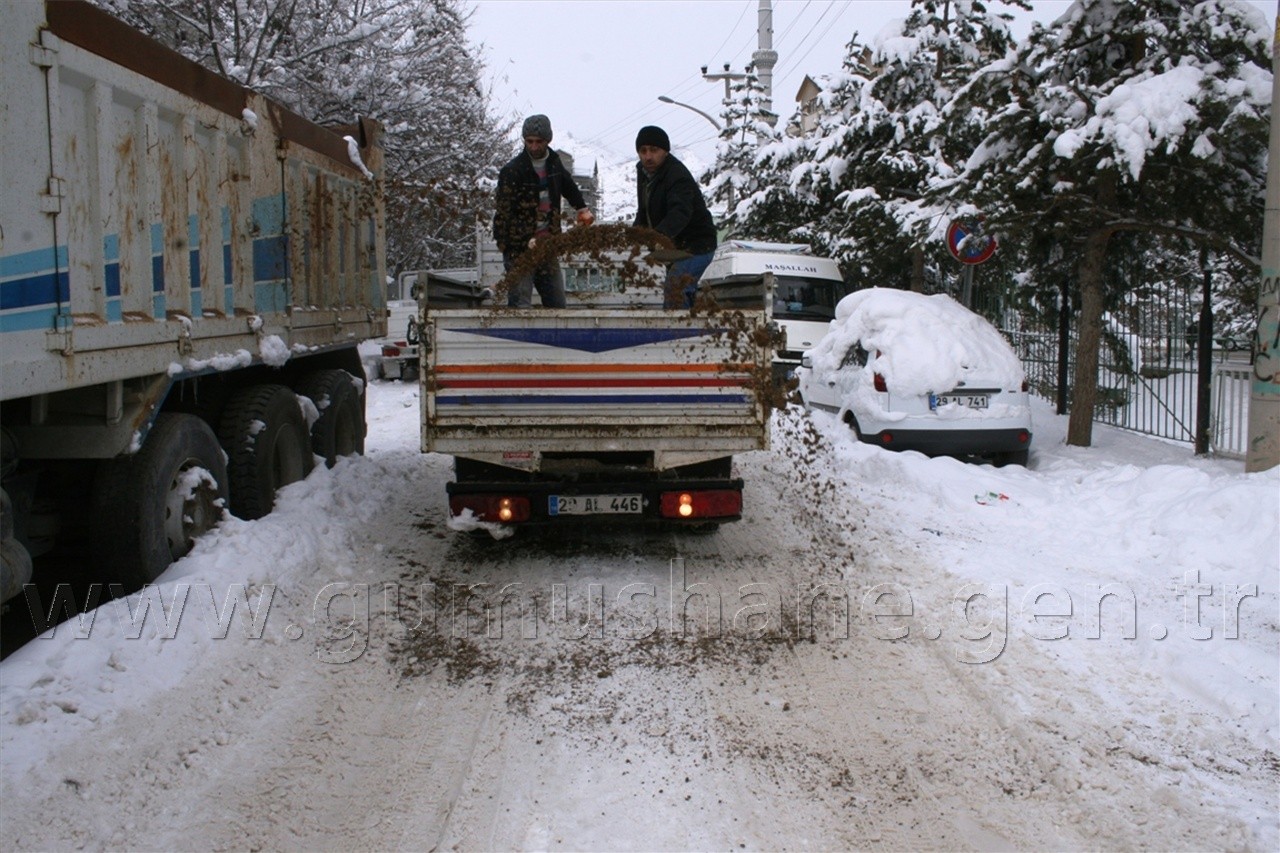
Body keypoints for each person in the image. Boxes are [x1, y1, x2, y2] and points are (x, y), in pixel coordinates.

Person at [493, 114, 594, 308]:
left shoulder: (554, 163)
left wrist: (582, 208)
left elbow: (569, 186)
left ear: (548, 140)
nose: (534, 146)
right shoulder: (513, 171)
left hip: (547, 246)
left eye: (539, 141)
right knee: (520, 305)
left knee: (557, 305)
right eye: (529, 141)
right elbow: (503, 216)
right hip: (520, 251)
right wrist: (522, 240)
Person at [632, 126, 718, 308]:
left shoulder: (677, 175)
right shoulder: (644, 173)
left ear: (665, 151)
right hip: (675, 246)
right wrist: (633, 233)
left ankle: (680, 333)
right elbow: (644, 210)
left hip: (697, 245)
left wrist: (657, 236)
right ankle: (688, 322)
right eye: (643, 151)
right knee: (679, 288)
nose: (648, 156)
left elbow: (680, 213)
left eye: (654, 150)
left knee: (676, 286)